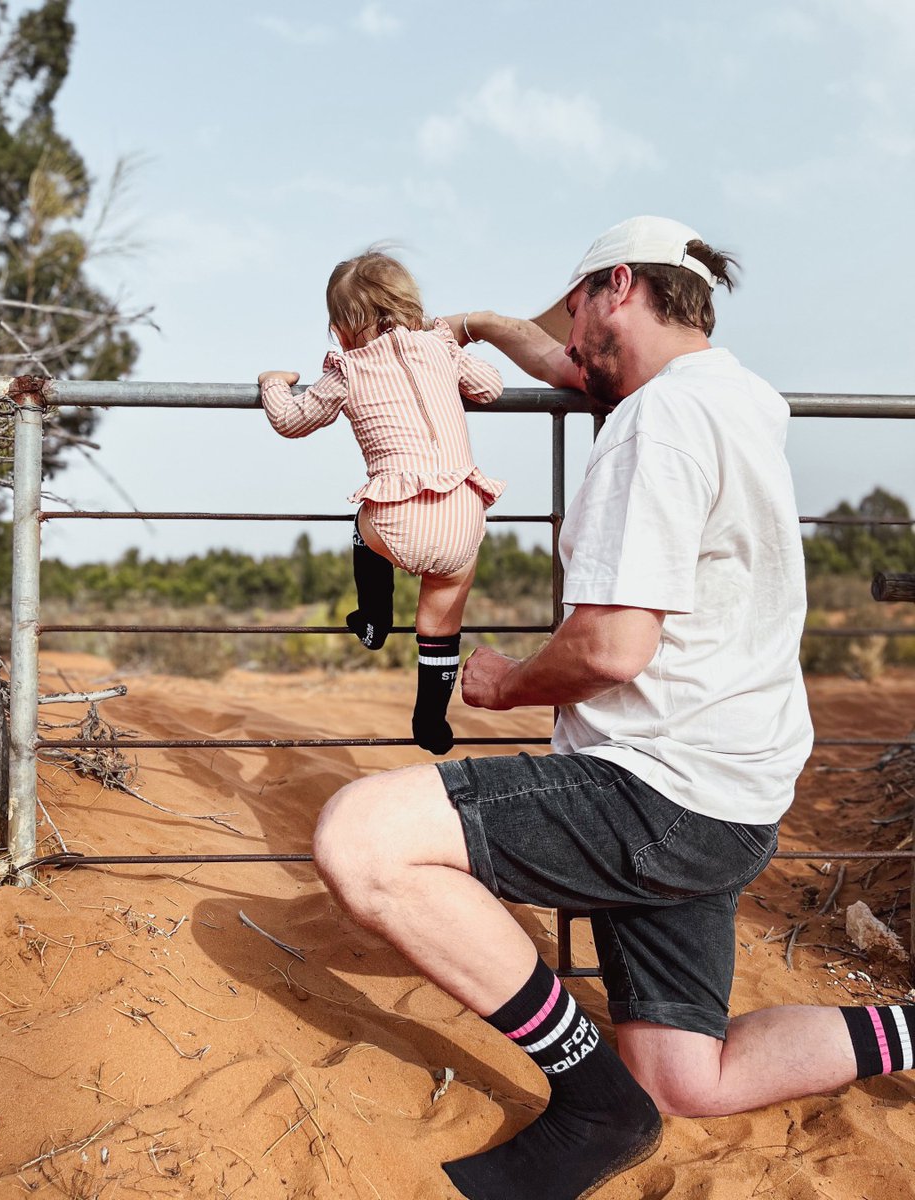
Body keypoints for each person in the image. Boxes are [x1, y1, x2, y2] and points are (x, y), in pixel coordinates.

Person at [310, 217, 915, 1200]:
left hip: (652, 791)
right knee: (689, 1075)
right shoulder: (741, 398)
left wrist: (505, 683)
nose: (570, 348)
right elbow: (558, 356)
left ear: (616, 288)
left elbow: (612, 647)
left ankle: (594, 1099)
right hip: (736, 797)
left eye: (579, 309)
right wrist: (484, 326)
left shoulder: (659, 420)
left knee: (362, 839)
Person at [258, 248, 505, 755]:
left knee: (364, 526)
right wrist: (452, 344)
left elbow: (291, 421)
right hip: (463, 513)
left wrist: (272, 385)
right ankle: (431, 721)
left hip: (396, 519)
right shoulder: (439, 347)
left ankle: (373, 618)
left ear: (341, 327)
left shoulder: (347, 369)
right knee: (441, 621)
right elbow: (491, 388)